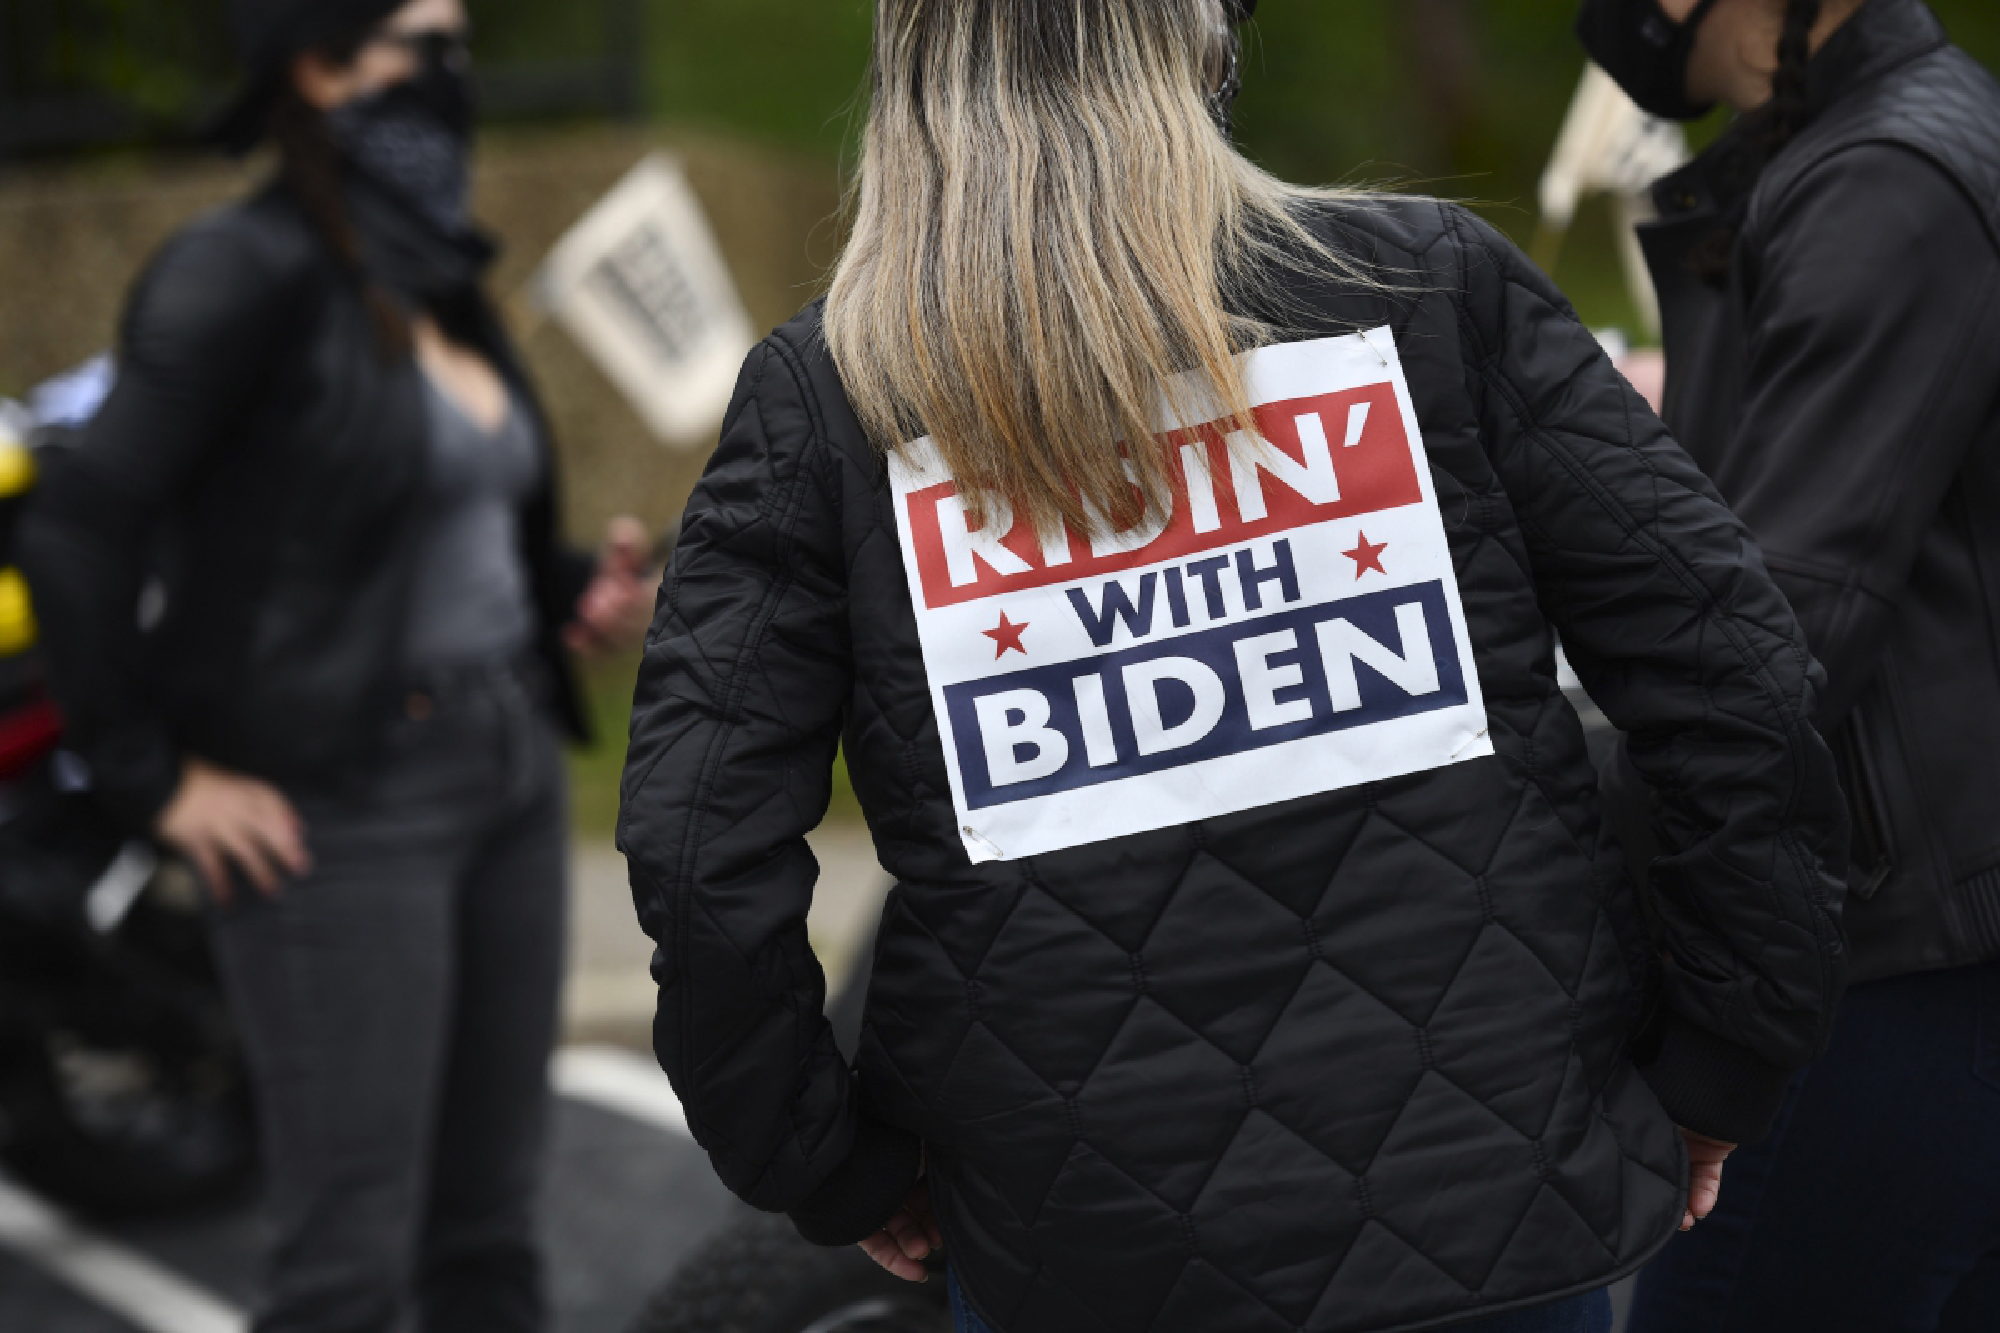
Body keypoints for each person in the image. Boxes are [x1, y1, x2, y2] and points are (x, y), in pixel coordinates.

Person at [617, 2, 1851, 1331]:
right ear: (1204, 39)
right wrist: (1721, 1062)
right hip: (1497, 1204)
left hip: (1083, 1248)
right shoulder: (1429, 286)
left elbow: (700, 858)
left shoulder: (828, 399)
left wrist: (826, 1165)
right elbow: (1736, 680)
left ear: (907, 68)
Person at [16, 1, 654, 1329]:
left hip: (509, 761)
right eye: (425, 41)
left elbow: (425, 525)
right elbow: (78, 526)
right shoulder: (237, 269)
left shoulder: (433, 275)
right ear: (315, 64)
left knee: (487, 1235)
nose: (455, 74)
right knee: (347, 1264)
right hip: (344, 805)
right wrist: (154, 780)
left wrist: (564, 588)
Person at [1576, 0, 2000, 1328]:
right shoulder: (1860, 155)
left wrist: (1559, 803)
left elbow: (1782, 631)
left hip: (1892, 963)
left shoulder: (1887, 176)